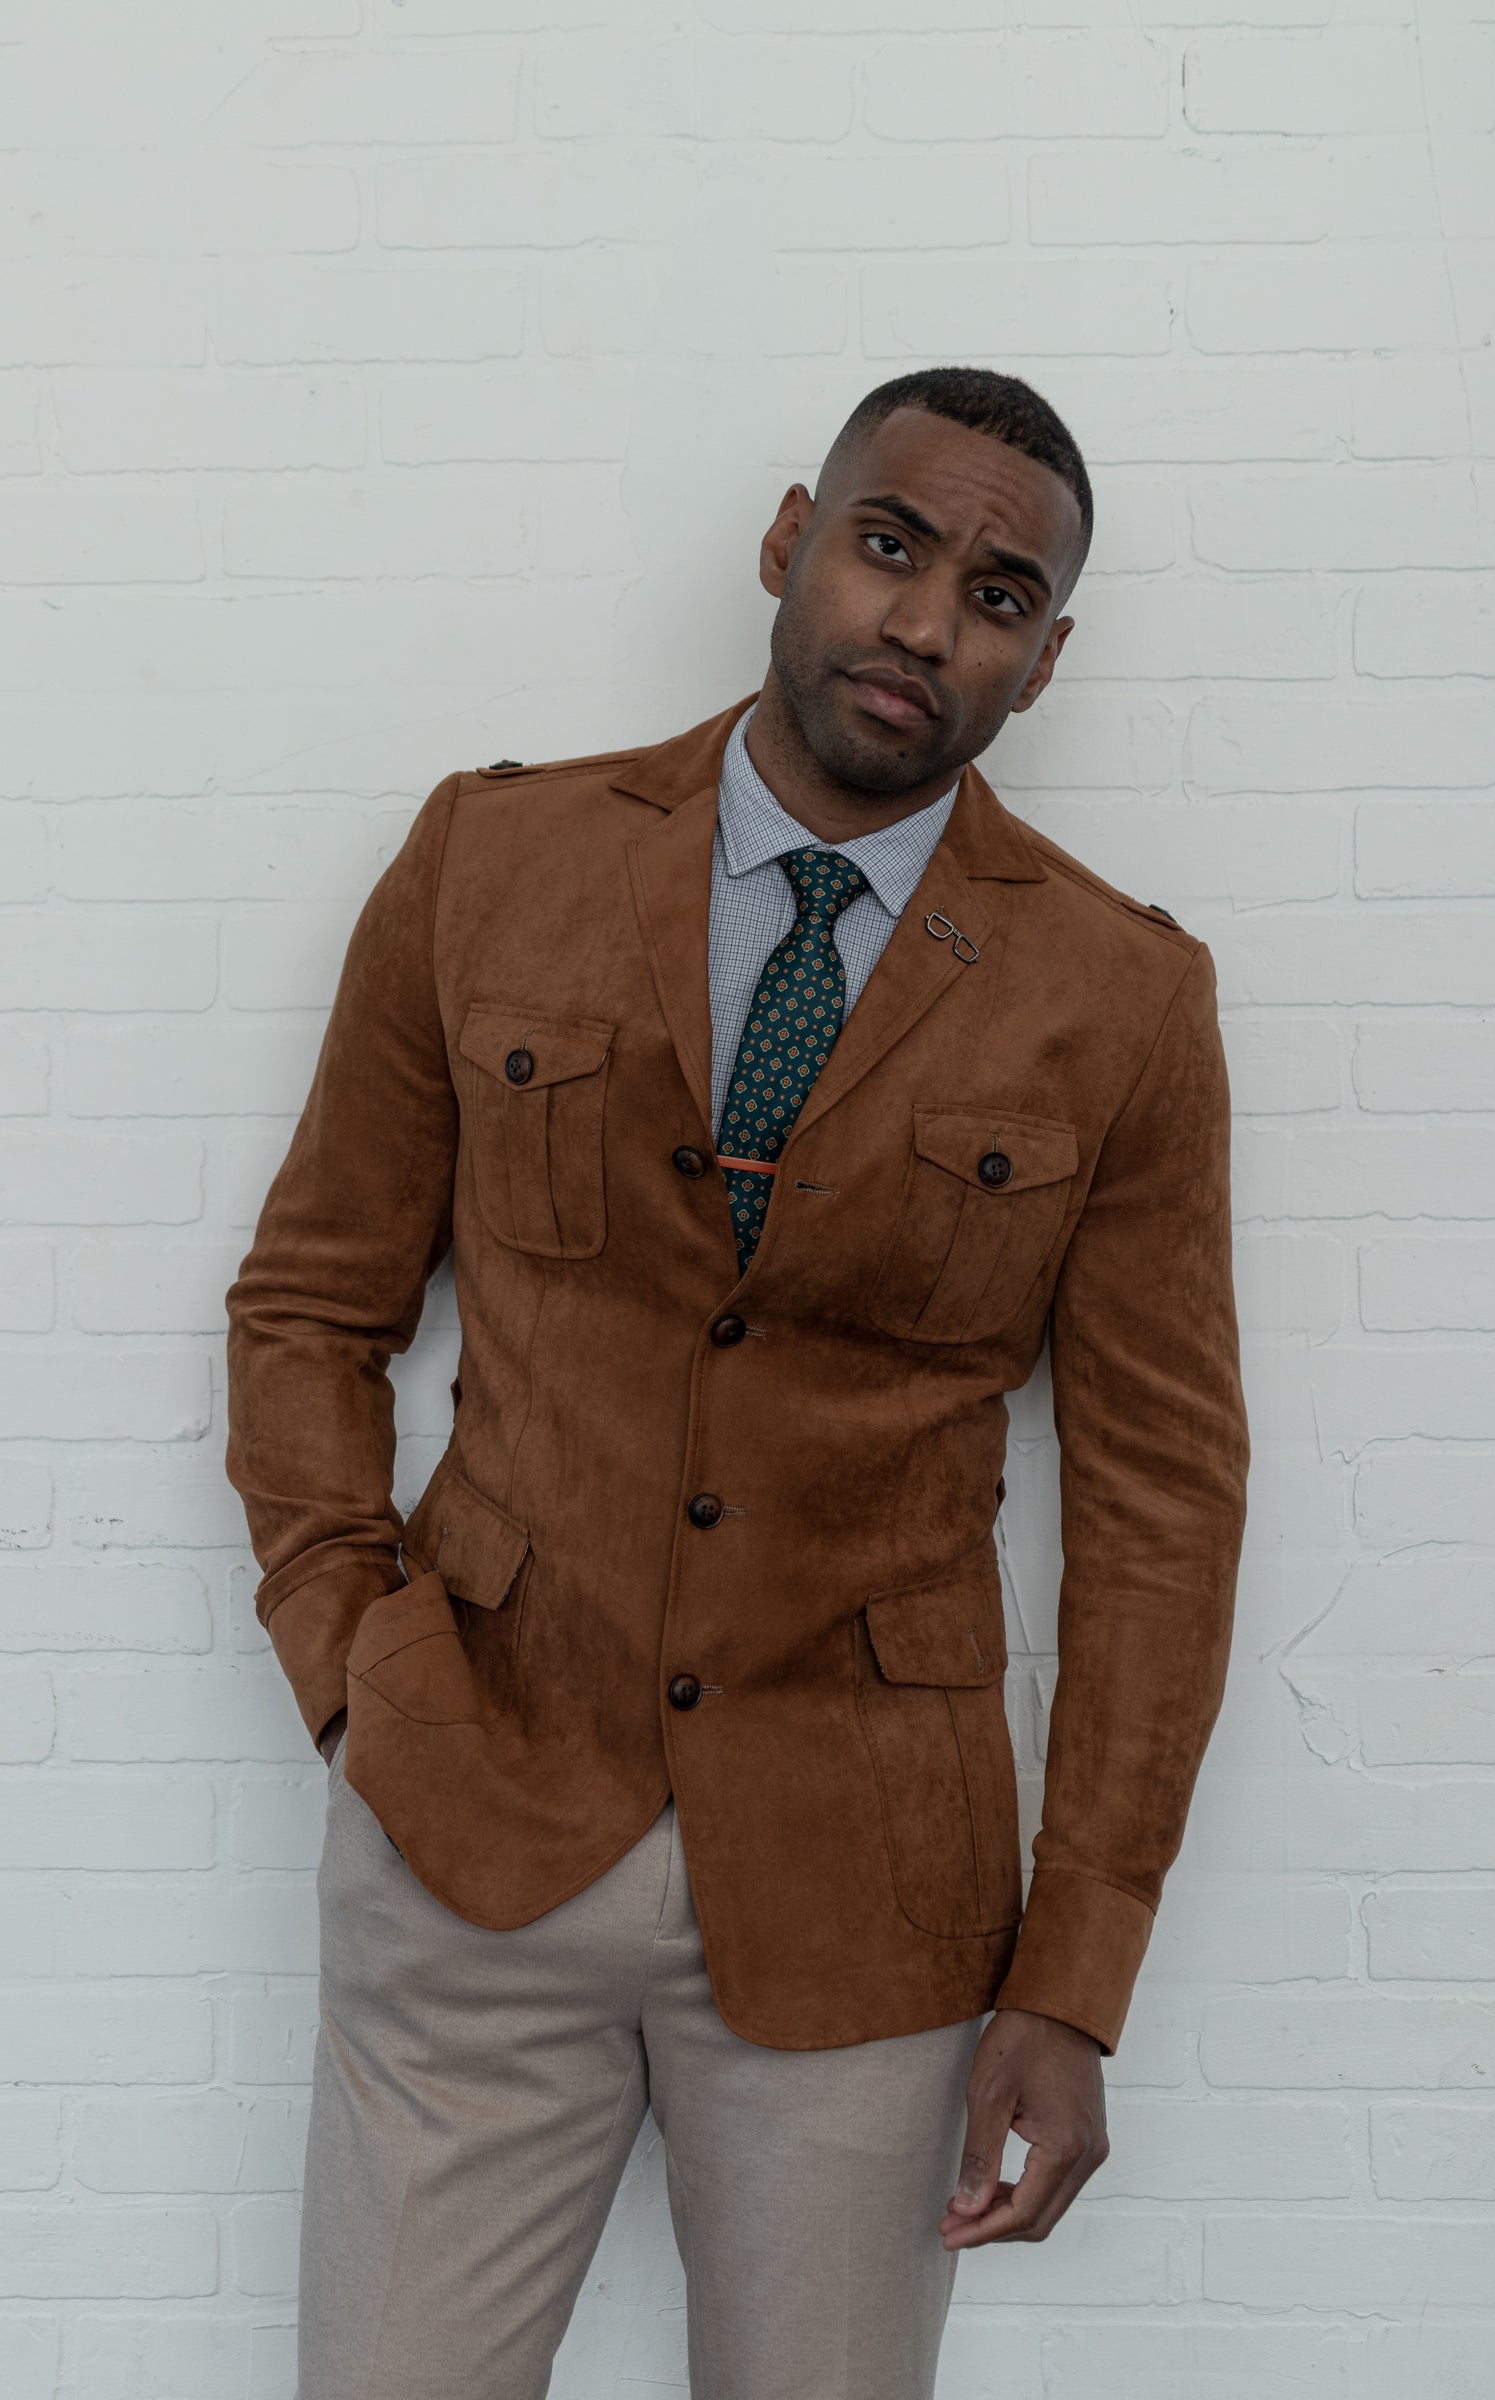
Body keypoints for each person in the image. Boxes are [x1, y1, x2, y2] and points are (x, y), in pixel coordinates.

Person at [223, 364, 1249, 2400]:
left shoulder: (1121, 1000)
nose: (922, 621)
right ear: (791, 541)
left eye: (997, 596)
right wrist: (355, 1668)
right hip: (474, 1820)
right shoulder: (493, 858)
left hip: (871, 1895)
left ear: (1044, 661)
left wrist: (1075, 1977)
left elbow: (1161, 1513)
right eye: (888, 545)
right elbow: (312, 1304)